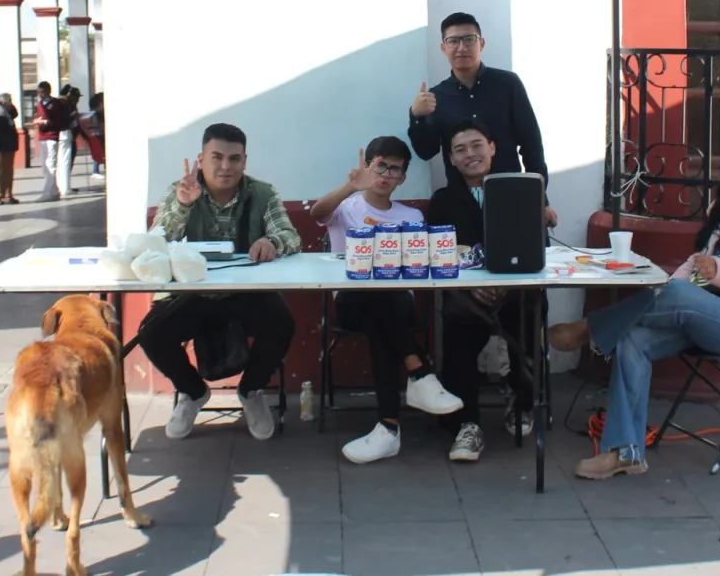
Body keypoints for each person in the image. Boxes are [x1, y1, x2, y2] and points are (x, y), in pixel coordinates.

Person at [549, 140, 720, 480]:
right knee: (634, 339)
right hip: (700, 313)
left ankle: (591, 329)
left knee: (680, 295)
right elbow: (692, 265)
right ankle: (625, 453)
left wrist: (718, 271)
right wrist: (671, 286)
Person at [142, 123, 301, 441]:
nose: (226, 166)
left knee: (281, 323)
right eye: (217, 157)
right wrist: (183, 205)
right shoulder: (181, 189)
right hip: (193, 295)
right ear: (201, 158)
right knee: (151, 332)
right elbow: (156, 242)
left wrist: (272, 242)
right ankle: (192, 392)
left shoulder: (262, 193)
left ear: (244, 160)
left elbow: (290, 235)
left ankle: (251, 390)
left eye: (234, 158)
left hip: (246, 294)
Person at [309, 136, 461, 463]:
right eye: (381, 165)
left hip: (399, 304)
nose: (386, 174)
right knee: (381, 310)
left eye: (395, 169)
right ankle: (419, 376)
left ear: (403, 178)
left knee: (385, 313)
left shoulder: (411, 217)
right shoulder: (346, 207)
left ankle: (389, 429)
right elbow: (317, 214)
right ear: (369, 165)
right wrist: (349, 187)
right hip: (351, 303)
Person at [428, 119, 534, 463]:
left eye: (476, 145)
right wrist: (474, 285)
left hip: (513, 288)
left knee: (529, 311)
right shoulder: (443, 200)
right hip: (466, 291)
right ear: (451, 159)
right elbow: (440, 251)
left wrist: (504, 282)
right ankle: (467, 424)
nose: (470, 154)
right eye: (460, 149)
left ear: (492, 148)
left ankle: (522, 400)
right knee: (458, 324)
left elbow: (537, 246)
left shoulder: (520, 189)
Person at [408, 12, 556, 227]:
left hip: (511, 194)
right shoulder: (436, 97)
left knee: (523, 257)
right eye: (453, 41)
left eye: (469, 39)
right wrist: (417, 117)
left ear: (481, 43)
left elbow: (531, 145)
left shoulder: (508, 84)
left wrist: (540, 199)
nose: (462, 47)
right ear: (443, 48)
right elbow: (426, 151)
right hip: (463, 205)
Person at [0, 93, 21, 205]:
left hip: (9, 146)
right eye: (8, 102)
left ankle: (8, 194)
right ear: (2, 102)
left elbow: (15, 114)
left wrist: (11, 105)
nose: (10, 104)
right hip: (1, 147)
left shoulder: (7, 112)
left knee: (8, 171)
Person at [33, 82, 62, 202]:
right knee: (44, 165)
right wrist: (37, 121)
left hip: (52, 136)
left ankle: (47, 192)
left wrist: (46, 122)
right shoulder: (39, 104)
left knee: (51, 164)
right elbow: (36, 117)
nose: (40, 94)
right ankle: (54, 190)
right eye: (39, 91)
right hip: (42, 136)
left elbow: (58, 120)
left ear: (48, 91)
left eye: (42, 91)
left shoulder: (55, 104)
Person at [54, 84, 81, 198]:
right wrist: (73, 115)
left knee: (64, 162)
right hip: (65, 133)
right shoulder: (65, 104)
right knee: (65, 161)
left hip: (66, 134)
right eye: (76, 96)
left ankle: (63, 185)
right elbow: (64, 120)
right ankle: (64, 187)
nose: (78, 99)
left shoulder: (66, 104)